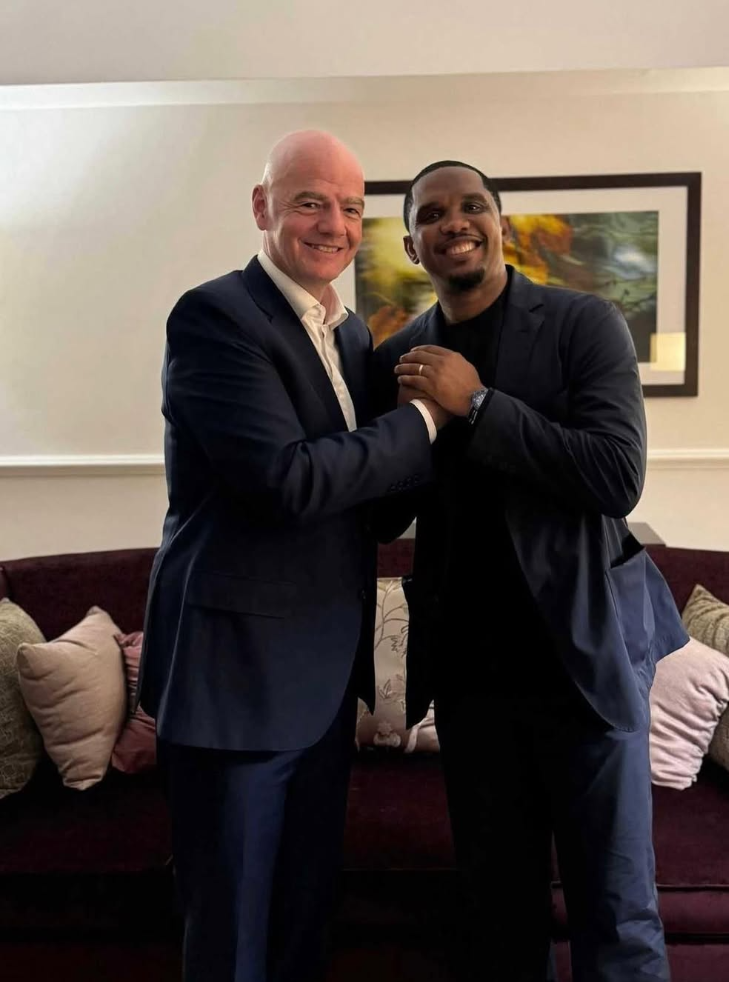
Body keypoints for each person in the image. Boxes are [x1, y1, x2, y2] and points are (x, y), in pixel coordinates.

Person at [137, 130, 448, 982]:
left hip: (321, 680)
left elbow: (368, 505)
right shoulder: (216, 317)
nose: (335, 225)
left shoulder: (350, 335)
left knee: (302, 921)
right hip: (235, 680)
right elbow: (286, 481)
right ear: (262, 207)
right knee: (232, 937)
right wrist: (425, 422)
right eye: (311, 201)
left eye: (351, 207)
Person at [372, 160, 689, 982]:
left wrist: (478, 406)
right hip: (471, 680)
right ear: (412, 246)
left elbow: (616, 477)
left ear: (501, 225)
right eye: (431, 214)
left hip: (585, 663)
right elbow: (384, 515)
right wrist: (382, 439)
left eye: (472, 206)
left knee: (616, 913)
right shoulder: (401, 355)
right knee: (499, 916)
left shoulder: (585, 323)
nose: (454, 222)